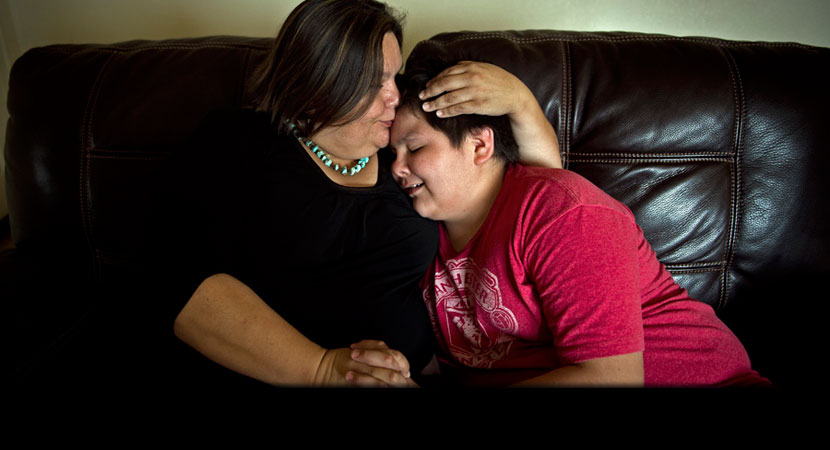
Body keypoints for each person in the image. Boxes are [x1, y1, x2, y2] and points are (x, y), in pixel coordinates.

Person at [167, 0, 561, 389]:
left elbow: (540, 189)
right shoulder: (237, 141)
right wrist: (321, 369)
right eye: (376, 82)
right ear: (319, 80)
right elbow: (181, 284)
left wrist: (521, 102)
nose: (394, 96)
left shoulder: (404, 156)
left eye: (395, 77)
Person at [380, 57, 771, 387]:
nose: (397, 168)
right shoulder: (422, 239)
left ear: (480, 145)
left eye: (414, 147)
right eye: (391, 153)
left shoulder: (564, 211)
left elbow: (612, 378)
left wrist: (519, 101)